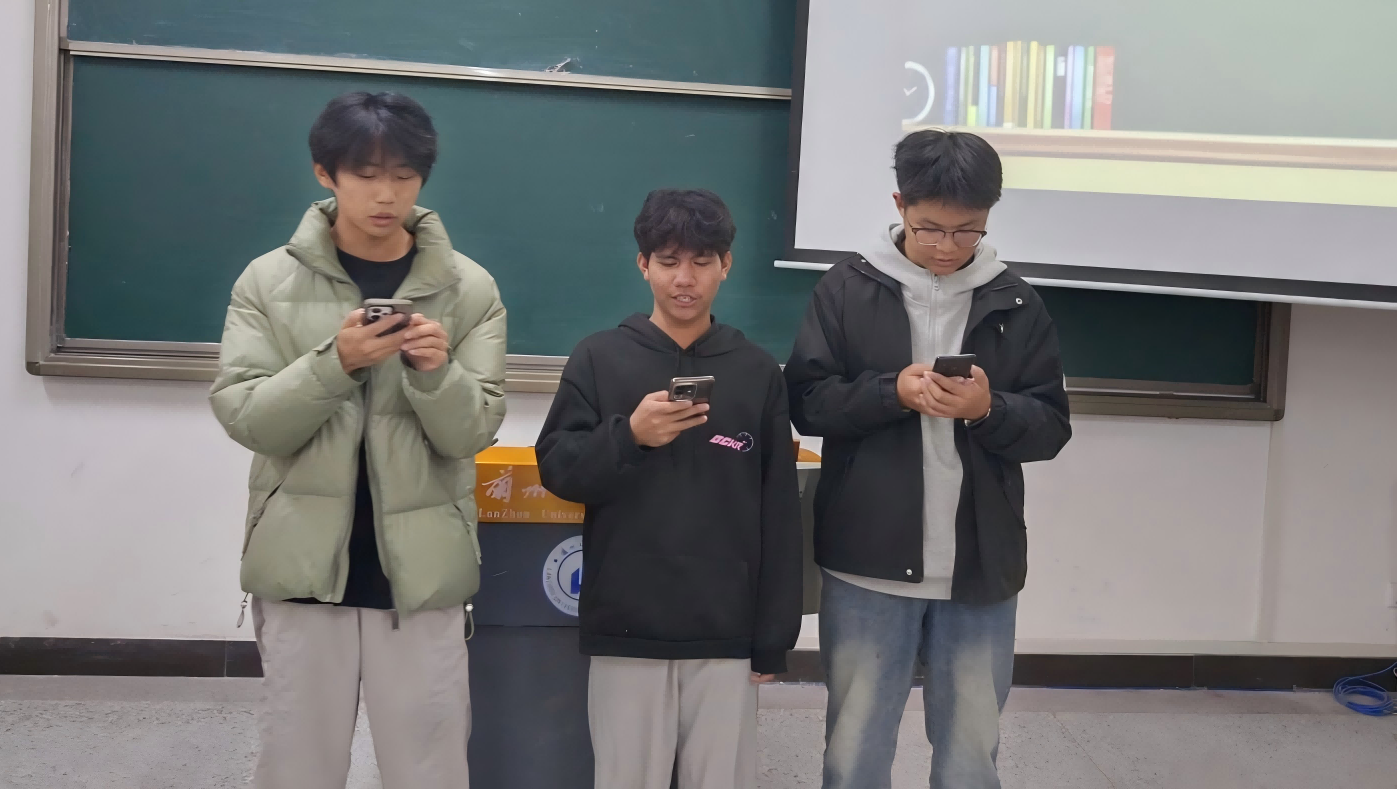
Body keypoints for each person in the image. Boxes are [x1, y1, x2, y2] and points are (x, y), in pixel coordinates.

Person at [210, 91, 506, 789]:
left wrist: (436, 374)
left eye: (404, 175)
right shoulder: (267, 282)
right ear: (326, 173)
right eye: (366, 174)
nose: (386, 194)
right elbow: (249, 419)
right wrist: (334, 363)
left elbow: (473, 431)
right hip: (303, 569)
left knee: (430, 769)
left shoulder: (468, 289)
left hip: (422, 575)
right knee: (298, 767)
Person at [785, 129, 1071, 789]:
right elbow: (807, 403)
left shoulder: (1016, 302)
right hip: (866, 562)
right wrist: (892, 392)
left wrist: (987, 409)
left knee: (971, 756)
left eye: (966, 231)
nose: (947, 246)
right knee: (854, 750)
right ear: (900, 206)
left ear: (988, 217)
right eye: (930, 229)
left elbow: (1051, 427)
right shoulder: (847, 289)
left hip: (979, 567)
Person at [536, 188, 802, 789]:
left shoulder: (756, 372)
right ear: (643, 264)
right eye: (668, 261)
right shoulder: (598, 358)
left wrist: (772, 639)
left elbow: (779, 513)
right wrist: (628, 435)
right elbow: (558, 470)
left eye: (702, 262)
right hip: (626, 625)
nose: (685, 279)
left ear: (726, 265)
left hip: (726, 630)